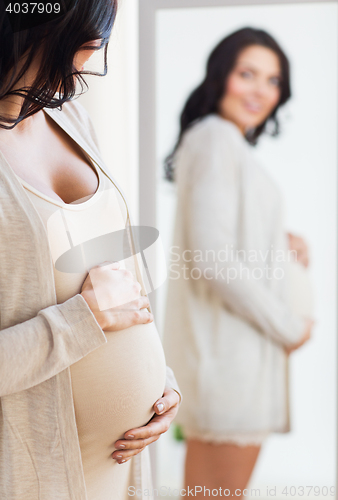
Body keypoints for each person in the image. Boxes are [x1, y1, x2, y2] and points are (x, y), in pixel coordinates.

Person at [0, 2, 182, 499]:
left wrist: (159, 382)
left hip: (121, 466)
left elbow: (119, 280)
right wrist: (82, 320)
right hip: (33, 474)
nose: (98, 46)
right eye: (92, 29)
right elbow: (95, 309)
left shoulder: (73, 117)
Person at [162, 27, 314, 497]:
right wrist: (289, 327)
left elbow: (223, 237)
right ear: (221, 75)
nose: (260, 90)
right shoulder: (215, 138)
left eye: (272, 80)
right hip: (230, 367)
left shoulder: (225, 145)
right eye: (247, 73)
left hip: (237, 365)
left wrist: (277, 237)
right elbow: (211, 259)